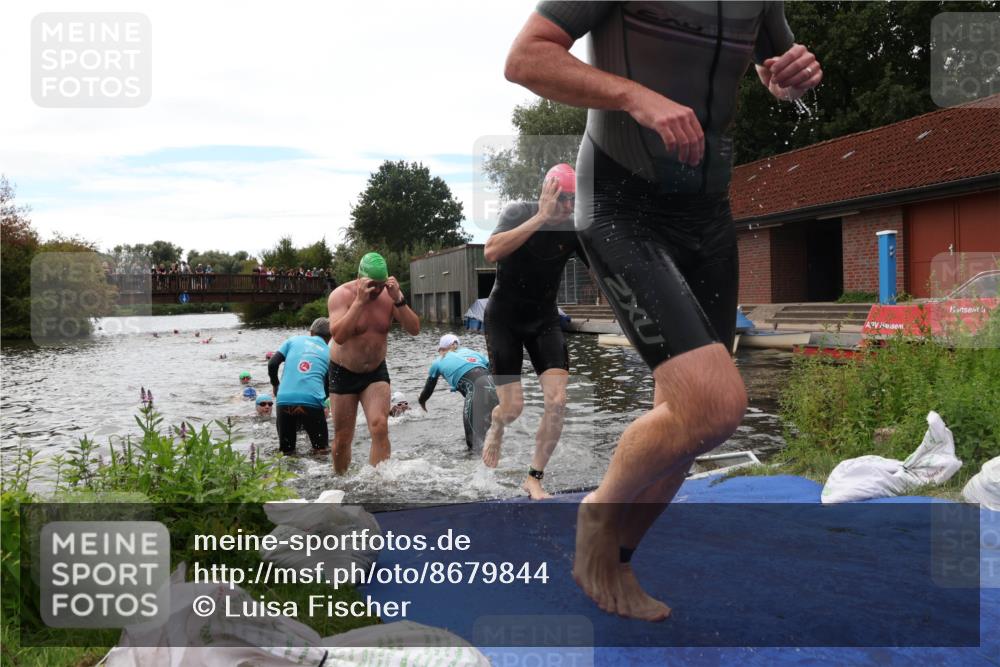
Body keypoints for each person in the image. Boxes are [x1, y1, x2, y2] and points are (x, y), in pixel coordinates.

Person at [503, 1, 822, 619]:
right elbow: (525, 58)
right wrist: (632, 96)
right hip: (623, 200)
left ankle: (616, 561)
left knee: (685, 432)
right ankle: (598, 513)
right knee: (716, 404)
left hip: (706, 213)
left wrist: (785, 77)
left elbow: (770, 67)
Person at [480, 163, 588, 500]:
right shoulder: (518, 212)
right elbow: (491, 250)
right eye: (563, 199)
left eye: (574, 200)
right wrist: (540, 218)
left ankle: (533, 477)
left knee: (557, 401)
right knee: (512, 410)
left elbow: (605, 267)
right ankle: (496, 426)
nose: (569, 207)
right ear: (547, 192)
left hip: (543, 320)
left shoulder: (574, 228)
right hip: (504, 320)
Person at [327, 252, 420, 473]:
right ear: (360, 278)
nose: (377, 290)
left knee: (380, 426)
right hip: (343, 371)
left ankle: (378, 483)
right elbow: (338, 335)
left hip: (375, 371)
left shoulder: (390, 296)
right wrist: (359, 302)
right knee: (343, 438)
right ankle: (340, 481)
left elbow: (415, 329)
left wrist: (399, 299)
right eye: (372, 284)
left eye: (381, 284)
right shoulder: (341, 296)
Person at [418, 334, 498, 451]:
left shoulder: (438, 361)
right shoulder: (472, 352)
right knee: (488, 436)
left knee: (473, 444)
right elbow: (493, 367)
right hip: (495, 389)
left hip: (476, 389)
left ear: (441, 349)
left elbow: (428, 388)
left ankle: (476, 467)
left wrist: (421, 401)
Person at [268, 318, 333, 455]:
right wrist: (323, 402)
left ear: (311, 332)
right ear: (330, 337)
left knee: (286, 452)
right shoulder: (330, 353)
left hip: (284, 399)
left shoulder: (293, 340)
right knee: (321, 450)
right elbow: (328, 384)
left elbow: (272, 364)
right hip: (312, 402)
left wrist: (276, 385)